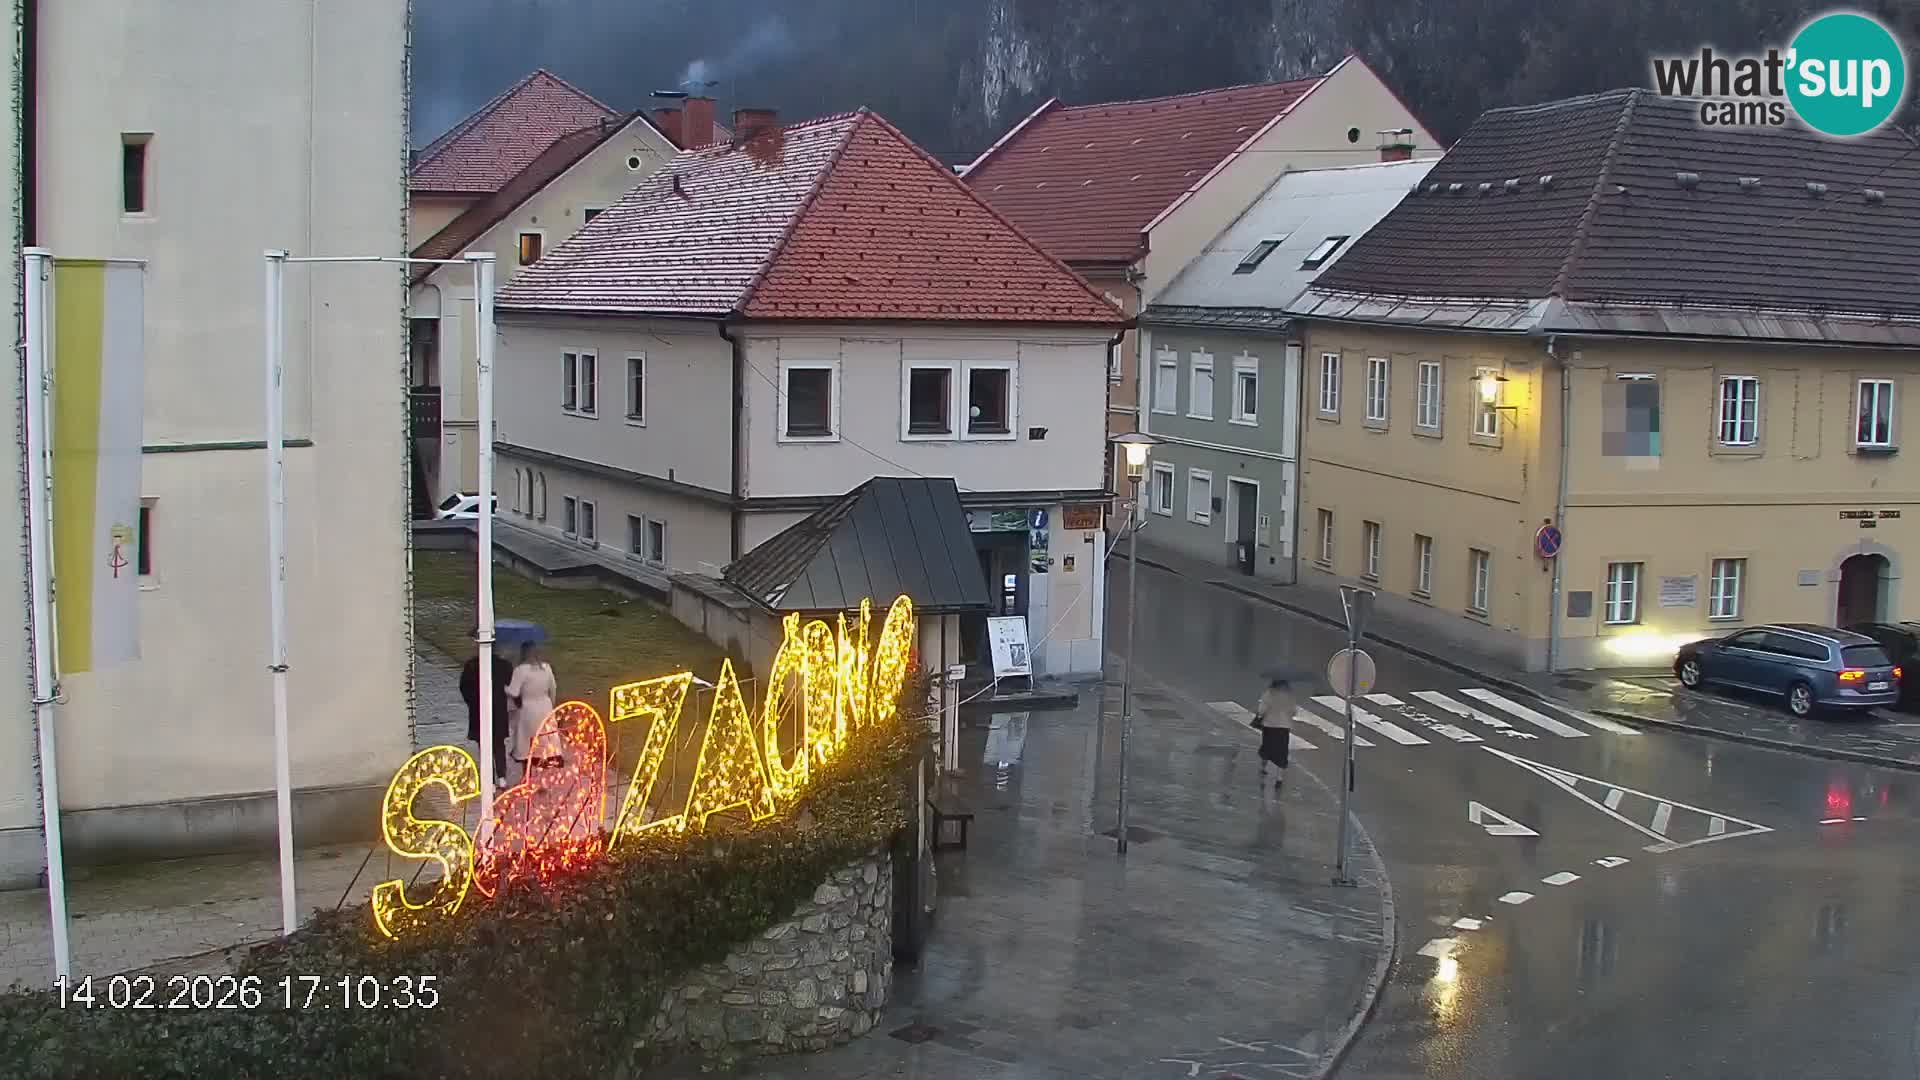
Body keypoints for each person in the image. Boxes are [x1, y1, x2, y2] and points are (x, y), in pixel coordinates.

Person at [459, 644, 515, 786]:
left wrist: (471, 702)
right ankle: (502, 776)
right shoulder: (504, 665)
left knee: (484, 746)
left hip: (478, 710)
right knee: (499, 744)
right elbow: (511, 685)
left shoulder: (471, 666)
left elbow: (463, 687)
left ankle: (489, 779)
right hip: (498, 710)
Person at [505, 642, 558, 785]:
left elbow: (514, 691)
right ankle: (544, 780)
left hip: (528, 709)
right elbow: (553, 688)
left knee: (527, 744)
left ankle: (526, 777)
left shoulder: (521, 670)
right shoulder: (546, 668)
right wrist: (550, 706)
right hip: (545, 707)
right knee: (544, 742)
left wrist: (504, 687)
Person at [1253, 673, 1298, 791]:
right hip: (1284, 727)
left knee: (1267, 747)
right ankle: (1279, 777)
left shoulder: (1269, 693)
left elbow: (1262, 710)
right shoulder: (1290, 696)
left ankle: (1264, 766)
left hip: (1269, 725)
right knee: (1282, 751)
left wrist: (1260, 715)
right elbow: (1294, 711)